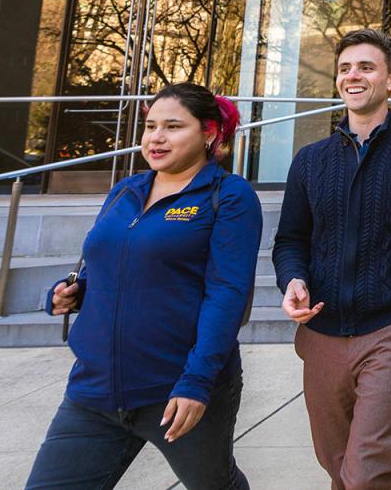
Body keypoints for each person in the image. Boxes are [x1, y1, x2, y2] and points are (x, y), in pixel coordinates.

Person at [26, 83, 261, 490]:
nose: (156, 137)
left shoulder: (229, 196)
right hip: (95, 388)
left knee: (214, 486)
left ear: (208, 133)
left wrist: (197, 381)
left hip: (176, 389)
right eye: (150, 125)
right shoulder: (125, 191)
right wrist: (74, 292)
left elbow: (227, 294)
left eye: (172, 126)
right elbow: (103, 263)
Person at [273, 28, 391, 489]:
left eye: (366, 67)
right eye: (345, 68)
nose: (353, 76)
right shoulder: (309, 161)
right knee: (338, 464)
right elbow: (290, 240)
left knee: (367, 464)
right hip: (321, 329)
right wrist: (293, 280)